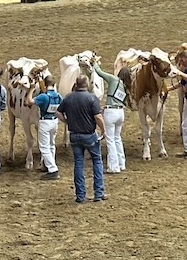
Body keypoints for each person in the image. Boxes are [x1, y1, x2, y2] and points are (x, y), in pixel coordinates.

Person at [57, 73, 106, 203]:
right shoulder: (92, 98)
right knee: (97, 161)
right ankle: (98, 193)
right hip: (89, 134)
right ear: (87, 84)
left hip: (74, 134)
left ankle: (80, 195)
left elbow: (58, 112)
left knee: (78, 163)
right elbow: (97, 117)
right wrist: (103, 130)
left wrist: (67, 122)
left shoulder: (68, 98)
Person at [93, 62, 128, 174]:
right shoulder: (125, 85)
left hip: (111, 112)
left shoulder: (114, 79)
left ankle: (113, 166)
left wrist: (95, 64)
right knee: (117, 138)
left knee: (110, 139)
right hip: (120, 112)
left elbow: (100, 73)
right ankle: (121, 163)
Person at [33, 74, 63, 180]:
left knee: (44, 147)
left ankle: (52, 169)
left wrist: (30, 90)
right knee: (51, 144)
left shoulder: (43, 96)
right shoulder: (58, 96)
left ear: (45, 85)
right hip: (54, 121)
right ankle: (49, 164)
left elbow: (29, 101)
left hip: (45, 121)